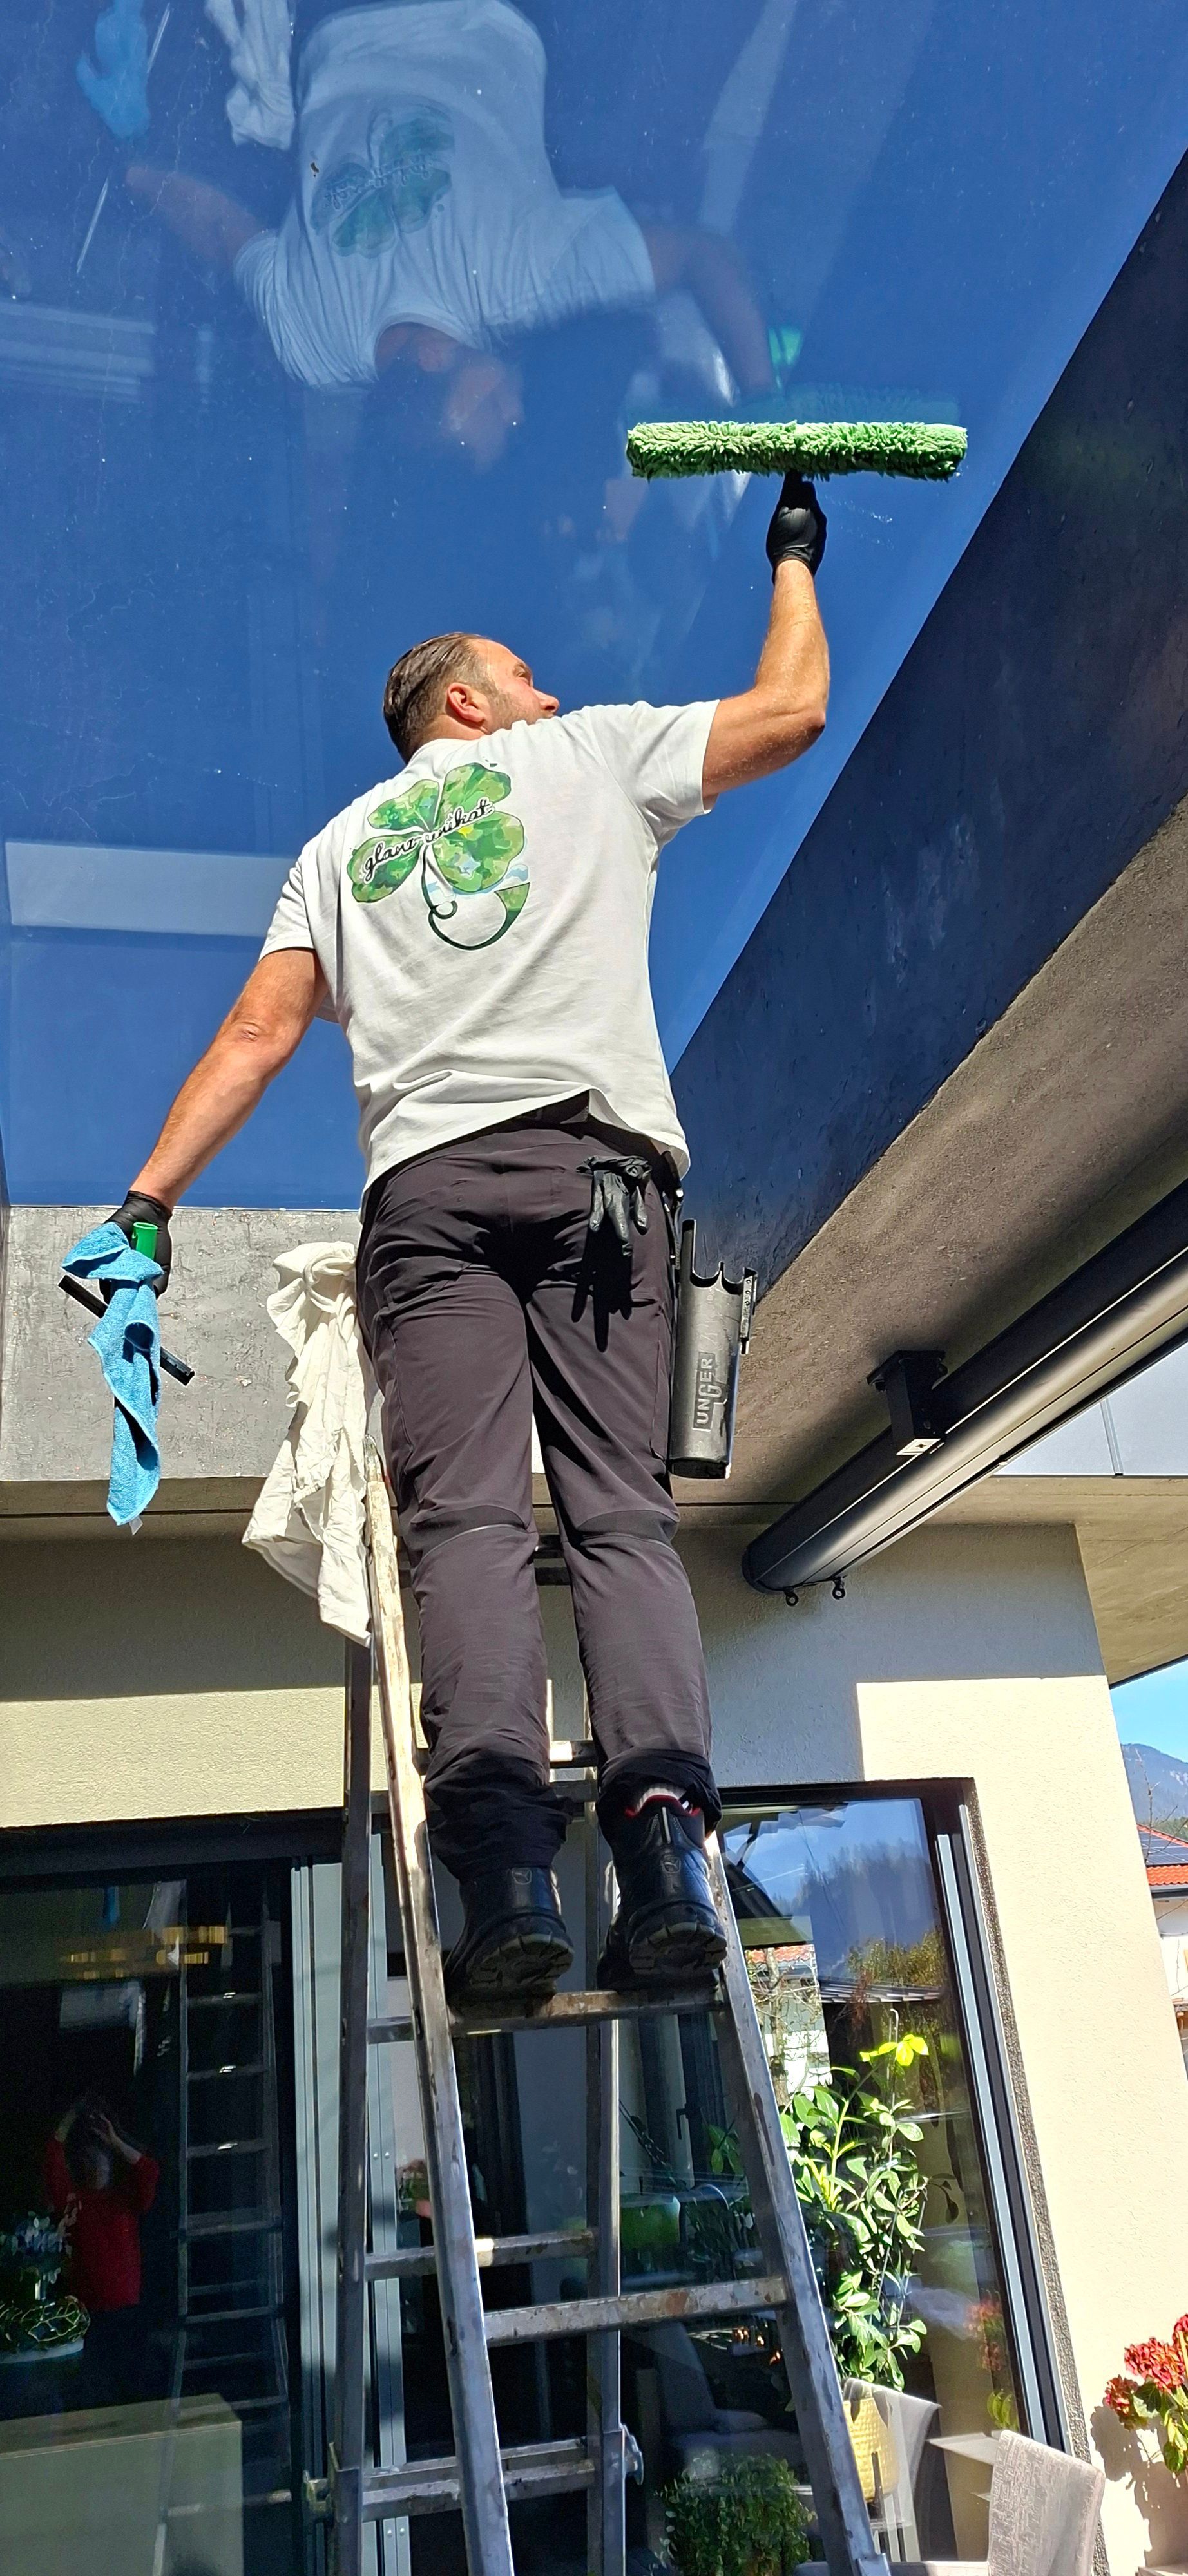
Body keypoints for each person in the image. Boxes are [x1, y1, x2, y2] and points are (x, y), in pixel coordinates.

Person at [100, 470, 828, 2003]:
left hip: (427, 1200)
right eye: (526, 671)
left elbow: (253, 1032)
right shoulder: (588, 752)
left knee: (466, 1531)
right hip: (596, 1177)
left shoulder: (333, 850)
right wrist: (792, 555)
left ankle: (501, 1877)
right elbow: (792, 710)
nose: (551, 684)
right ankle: (664, 1851)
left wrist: (146, 1199)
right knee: (618, 1517)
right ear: (474, 703)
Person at [124, 0, 773, 464]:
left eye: (491, 411)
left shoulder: (520, 284)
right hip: (330, 21)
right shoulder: (310, 345)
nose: (515, 412)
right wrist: (132, 171)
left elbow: (703, 257)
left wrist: (768, 416)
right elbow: (217, 228)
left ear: (434, 359)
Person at [45, 2094, 160, 2407]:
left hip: (126, 2315)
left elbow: (149, 2170)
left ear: (110, 2164)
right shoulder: (73, 2202)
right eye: (88, 2159)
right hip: (85, 2317)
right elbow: (52, 2153)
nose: (95, 2165)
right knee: (91, 2396)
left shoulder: (126, 2201)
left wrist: (114, 2138)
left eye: (101, 2159)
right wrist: (73, 2114)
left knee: (131, 2393)